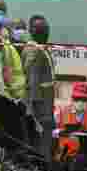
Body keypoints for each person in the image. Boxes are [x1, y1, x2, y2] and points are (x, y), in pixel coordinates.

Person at [22, 14, 56, 161]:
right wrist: (33, 111)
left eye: (45, 28)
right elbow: (32, 81)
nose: (45, 32)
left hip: (45, 103)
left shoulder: (40, 48)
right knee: (41, 142)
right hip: (40, 107)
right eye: (42, 29)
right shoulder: (34, 51)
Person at [54, 81, 87, 160]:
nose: (80, 102)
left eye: (84, 99)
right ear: (72, 99)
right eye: (77, 99)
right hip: (65, 157)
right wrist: (61, 132)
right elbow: (50, 132)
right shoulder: (61, 112)